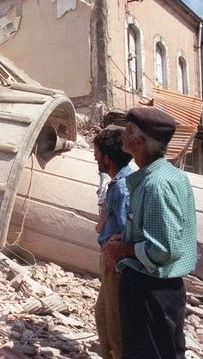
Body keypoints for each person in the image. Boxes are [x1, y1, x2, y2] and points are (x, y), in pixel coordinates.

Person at [102, 107, 197, 359]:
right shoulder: (173, 176)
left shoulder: (155, 185)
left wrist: (121, 249)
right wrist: (129, 237)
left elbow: (163, 249)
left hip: (150, 292)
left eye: (127, 130)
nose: (121, 135)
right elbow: (168, 230)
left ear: (138, 142)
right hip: (166, 291)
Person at [92, 126, 134, 359]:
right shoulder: (119, 182)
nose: (94, 157)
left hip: (116, 265)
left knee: (115, 327)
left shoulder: (122, 187)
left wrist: (112, 248)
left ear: (107, 158)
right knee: (103, 316)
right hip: (113, 261)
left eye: (97, 153)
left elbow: (125, 230)